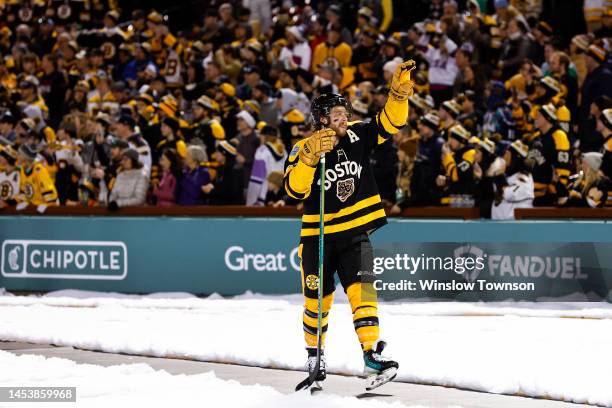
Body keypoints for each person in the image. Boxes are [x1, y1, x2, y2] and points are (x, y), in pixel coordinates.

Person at [283, 59, 417, 388]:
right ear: (322, 120)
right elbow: (293, 190)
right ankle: (315, 357)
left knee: (364, 296)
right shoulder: (303, 148)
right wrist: (310, 159)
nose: (345, 118)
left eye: (346, 113)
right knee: (318, 301)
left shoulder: (358, 135)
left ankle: (372, 356)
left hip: (355, 233)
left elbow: (390, 124)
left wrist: (398, 97)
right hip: (318, 238)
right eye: (338, 115)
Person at [491, 140, 534, 220]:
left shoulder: (525, 177)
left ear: (516, 157)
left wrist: (500, 176)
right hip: (499, 224)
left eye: (508, 154)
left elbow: (509, 194)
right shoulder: (508, 175)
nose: (504, 157)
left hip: (517, 226)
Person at [246, 125, 287, 206]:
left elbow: (257, 178)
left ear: (263, 136)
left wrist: (251, 200)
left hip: (264, 193)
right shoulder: (284, 151)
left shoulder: (261, 151)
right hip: (280, 192)